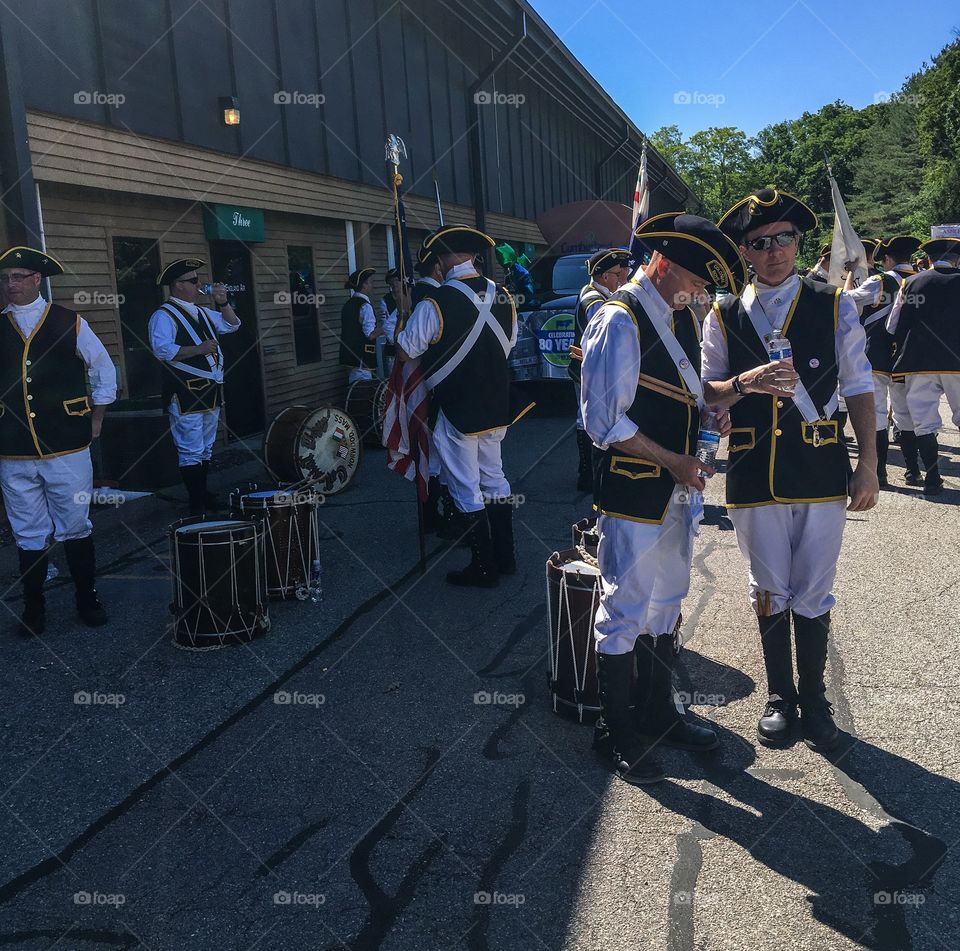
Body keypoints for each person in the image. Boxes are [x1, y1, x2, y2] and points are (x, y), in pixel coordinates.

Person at [703, 188, 879, 753]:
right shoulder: (723, 312)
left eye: (785, 238)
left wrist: (870, 463)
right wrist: (740, 388)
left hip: (820, 464)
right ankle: (781, 695)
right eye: (761, 242)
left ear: (799, 244)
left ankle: (816, 697)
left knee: (815, 587)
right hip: (754, 470)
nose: (775, 250)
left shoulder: (834, 304)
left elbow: (857, 385)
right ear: (745, 252)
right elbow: (707, 394)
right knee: (768, 587)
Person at [581, 213, 746, 785]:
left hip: (676, 490)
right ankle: (615, 730)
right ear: (665, 263)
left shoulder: (674, 316)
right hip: (633, 490)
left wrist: (709, 415)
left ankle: (655, 711)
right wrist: (674, 459)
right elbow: (602, 420)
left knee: (668, 599)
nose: (703, 292)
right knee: (625, 606)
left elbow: (679, 394)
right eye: (699, 280)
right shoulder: (618, 319)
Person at [396, 226, 530, 587]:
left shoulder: (434, 303)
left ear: (441, 260)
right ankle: (506, 558)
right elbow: (509, 345)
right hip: (497, 405)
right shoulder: (504, 297)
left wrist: (407, 315)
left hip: (457, 409)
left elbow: (406, 351)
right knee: (495, 478)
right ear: (473, 256)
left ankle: (483, 568)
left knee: (465, 486)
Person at [0, 246, 117, 634]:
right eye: (5, 278)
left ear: (37, 279)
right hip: (13, 448)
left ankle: (88, 599)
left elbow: (104, 370)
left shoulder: (69, 321)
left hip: (66, 445)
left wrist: (96, 419)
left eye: (18, 277)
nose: (9, 284)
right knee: (27, 530)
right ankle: (34, 609)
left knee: (75, 524)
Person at [148, 259, 240, 516]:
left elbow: (233, 324)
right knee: (190, 448)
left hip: (210, 388)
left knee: (206, 446)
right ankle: (196, 501)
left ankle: (203, 493)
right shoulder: (163, 315)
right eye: (193, 280)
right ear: (177, 285)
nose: (199, 284)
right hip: (185, 390)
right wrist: (199, 349)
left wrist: (222, 302)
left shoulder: (201, 312)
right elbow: (162, 350)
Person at [887, 236, 960, 495]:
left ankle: (932, 478)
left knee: (923, 422)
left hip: (918, 362)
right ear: (957, 259)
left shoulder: (910, 282)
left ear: (929, 259)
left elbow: (892, 326)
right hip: (956, 361)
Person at [845, 236, 921, 486]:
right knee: (905, 414)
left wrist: (850, 274)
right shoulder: (920, 279)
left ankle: (880, 473)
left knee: (877, 413)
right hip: (907, 358)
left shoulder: (879, 281)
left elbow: (847, 300)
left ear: (887, 259)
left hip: (876, 354)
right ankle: (913, 471)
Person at [569, 248, 632, 491]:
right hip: (586, 371)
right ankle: (587, 475)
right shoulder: (593, 298)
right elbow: (609, 329)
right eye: (618, 273)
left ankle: (594, 473)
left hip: (594, 369)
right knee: (587, 419)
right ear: (603, 276)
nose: (623, 278)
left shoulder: (604, 293)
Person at [339, 268, 381, 384]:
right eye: (370, 282)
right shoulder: (365, 306)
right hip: (362, 358)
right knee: (363, 389)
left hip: (350, 357)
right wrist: (386, 328)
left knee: (354, 386)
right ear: (364, 285)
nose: (372, 285)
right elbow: (370, 335)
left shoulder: (348, 304)